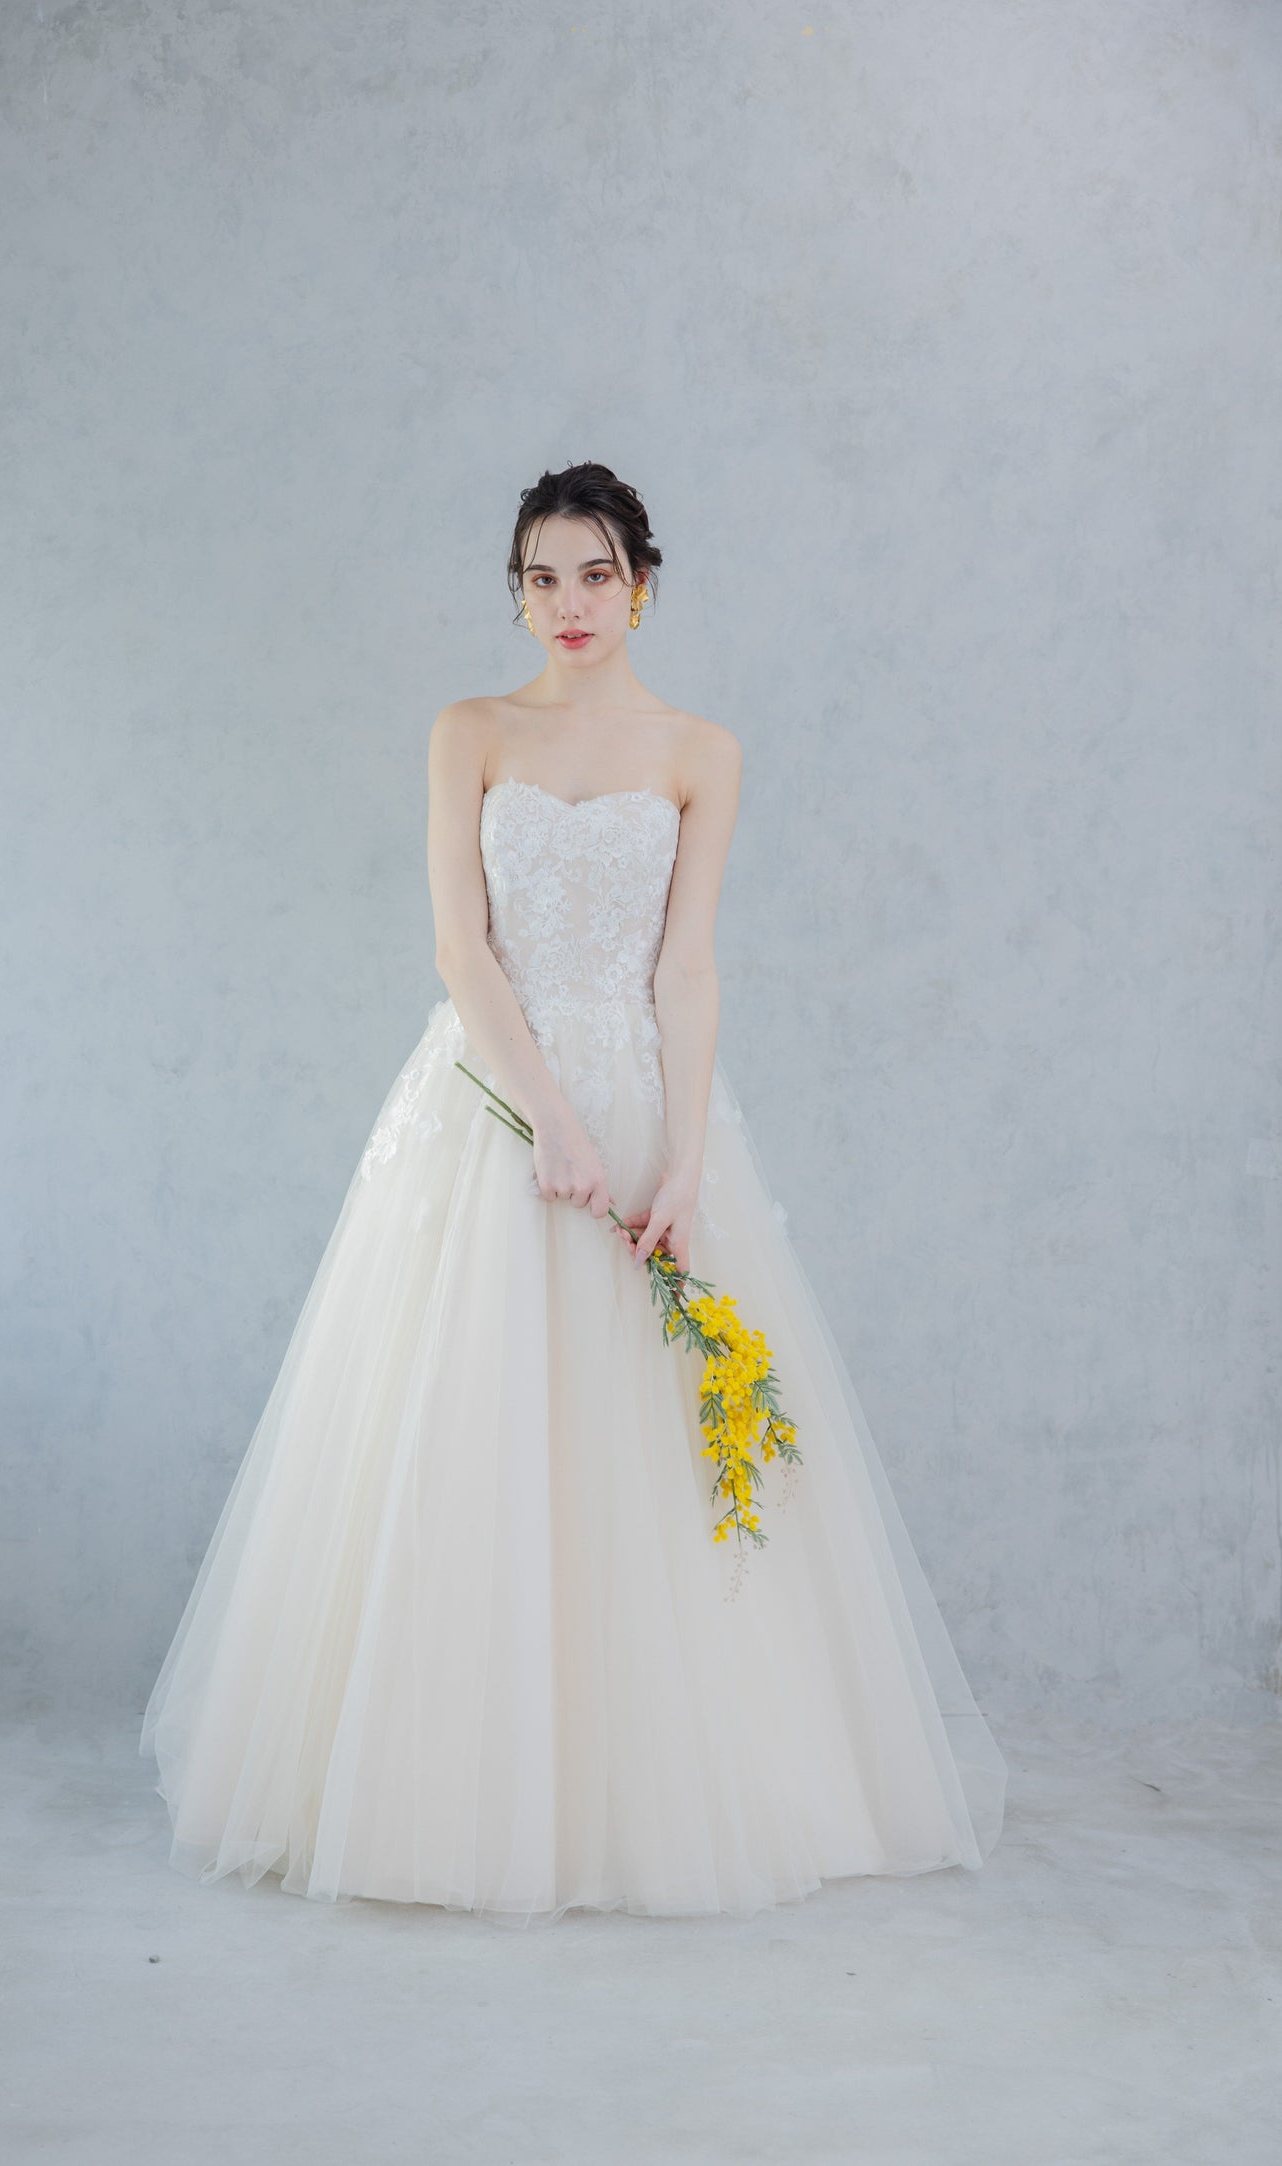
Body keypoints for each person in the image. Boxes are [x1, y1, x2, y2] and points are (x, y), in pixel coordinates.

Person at [140, 460, 1007, 1924]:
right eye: (540, 578)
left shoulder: (701, 751)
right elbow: (459, 948)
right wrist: (547, 1115)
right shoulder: (469, 732)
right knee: (462, 1424)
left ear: (641, 585)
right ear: (518, 593)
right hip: (493, 1103)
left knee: (639, 1444)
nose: (568, 605)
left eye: (595, 575)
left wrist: (685, 1157)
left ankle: (644, 1794)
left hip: (645, 1105)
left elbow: (688, 965)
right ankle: (452, 1789)